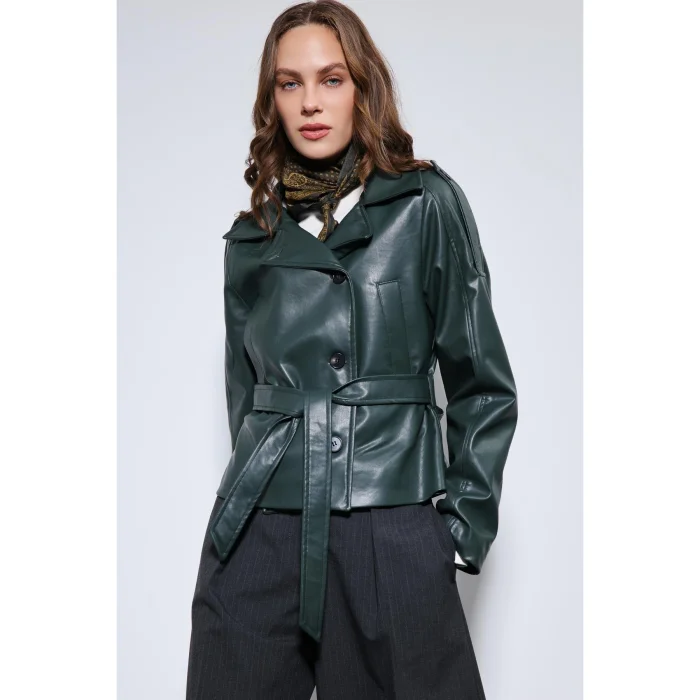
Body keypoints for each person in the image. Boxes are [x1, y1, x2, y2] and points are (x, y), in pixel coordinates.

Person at [186, 2, 518, 698]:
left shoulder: (423, 204)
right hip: (259, 529)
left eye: (331, 79)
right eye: (290, 83)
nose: (310, 101)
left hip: (387, 520)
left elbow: (481, 381)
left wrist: (460, 528)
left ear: (363, 87)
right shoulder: (251, 239)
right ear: (272, 100)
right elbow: (245, 400)